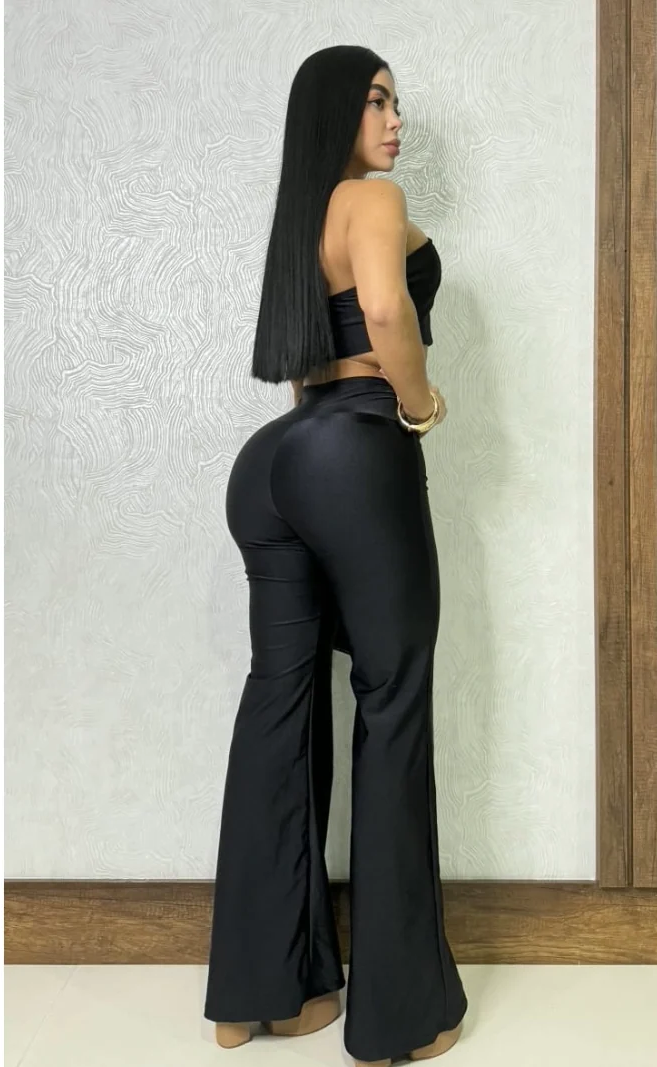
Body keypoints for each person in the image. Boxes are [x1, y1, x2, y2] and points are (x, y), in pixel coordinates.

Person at [203, 45, 468, 1067]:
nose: (394, 120)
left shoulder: (299, 219)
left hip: (273, 461)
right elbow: (387, 312)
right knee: (392, 699)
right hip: (356, 444)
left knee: (279, 704)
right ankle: (399, 1018)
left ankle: (259, 994)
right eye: (375, 101)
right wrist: (420, 405)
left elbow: (304, 364)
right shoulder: (371, 199)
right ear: (334, 114)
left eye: (396, 102)